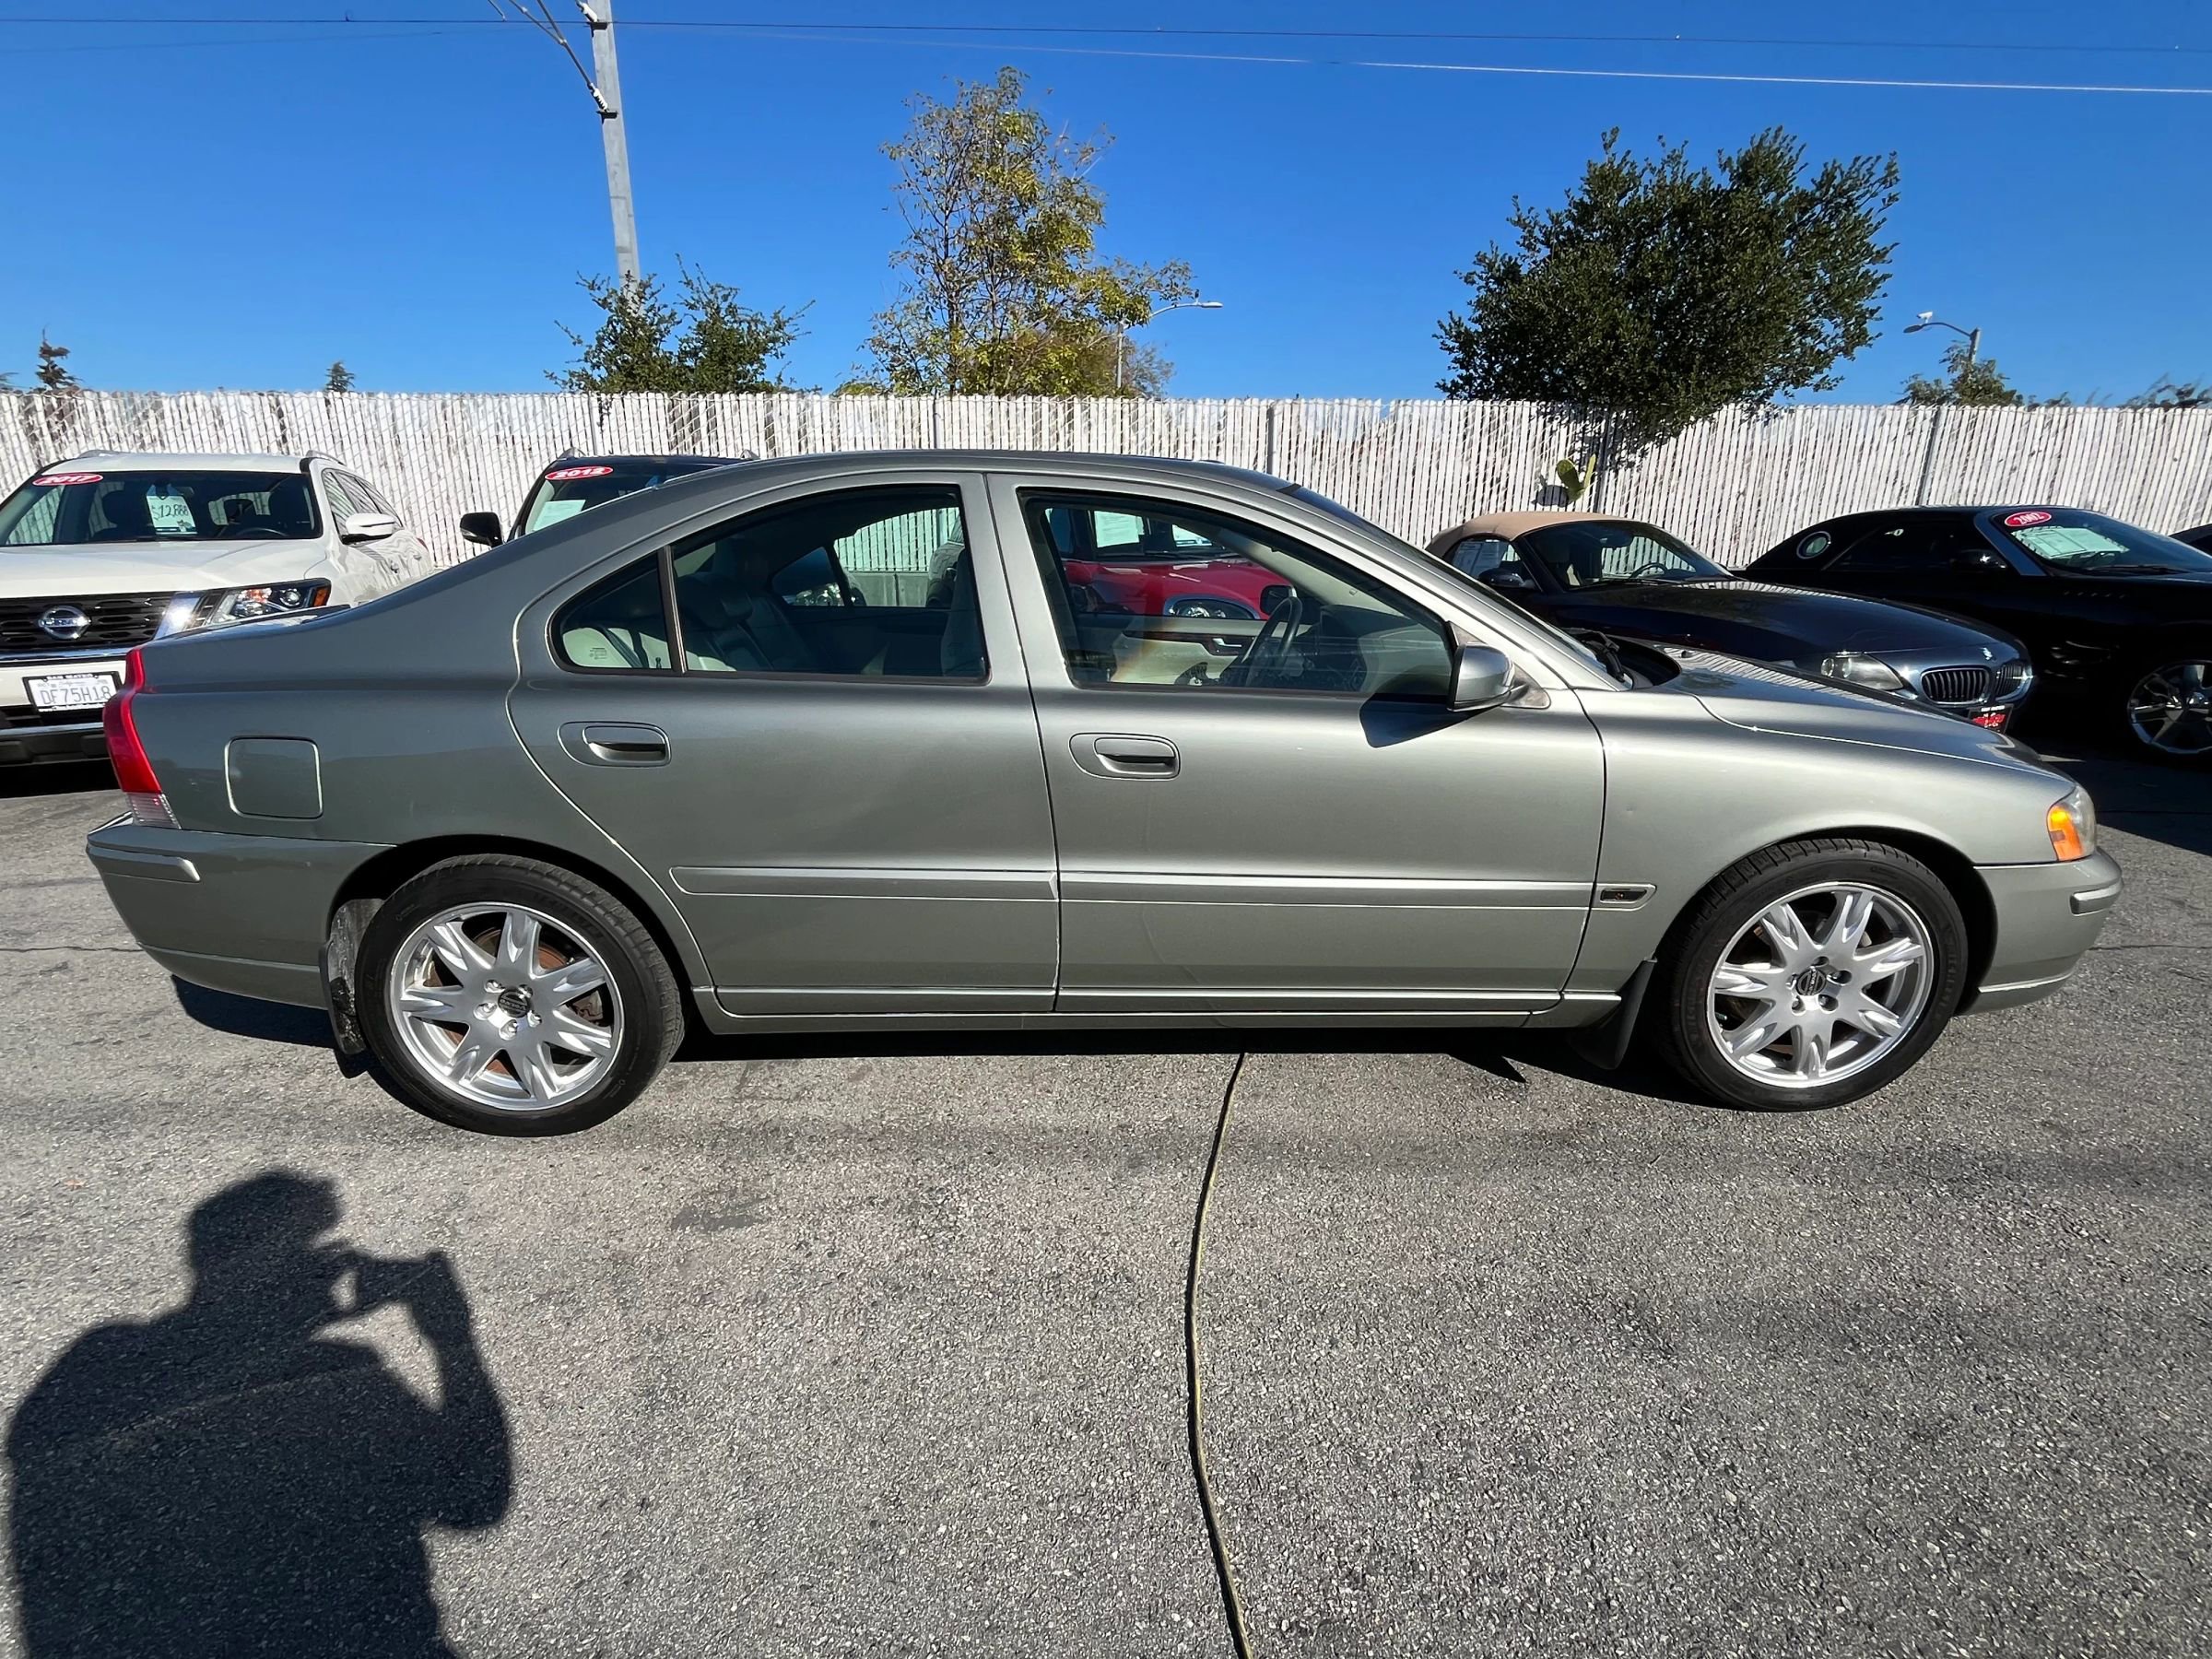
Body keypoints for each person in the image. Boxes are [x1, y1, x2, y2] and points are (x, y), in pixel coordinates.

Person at [6, 1171, 511, 1658]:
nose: (338, 1263)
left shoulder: (104, 1361)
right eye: (319, 1252)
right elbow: (474, 1501)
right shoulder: (342, 1372)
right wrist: (452, 1338)